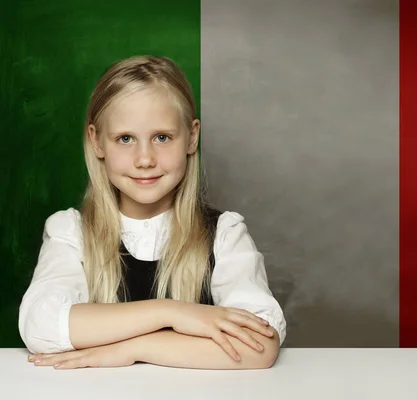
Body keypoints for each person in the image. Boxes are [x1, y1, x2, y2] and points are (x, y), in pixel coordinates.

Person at [17, 55, 286, 370]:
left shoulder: (224, 234)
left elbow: (260, 346)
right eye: (125, 139)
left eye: (162, 137)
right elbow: (41, 326)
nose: (145, 159)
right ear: (96, 141)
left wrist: (133, 349)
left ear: (192, 137)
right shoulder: (71, 231)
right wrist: (171, 313)